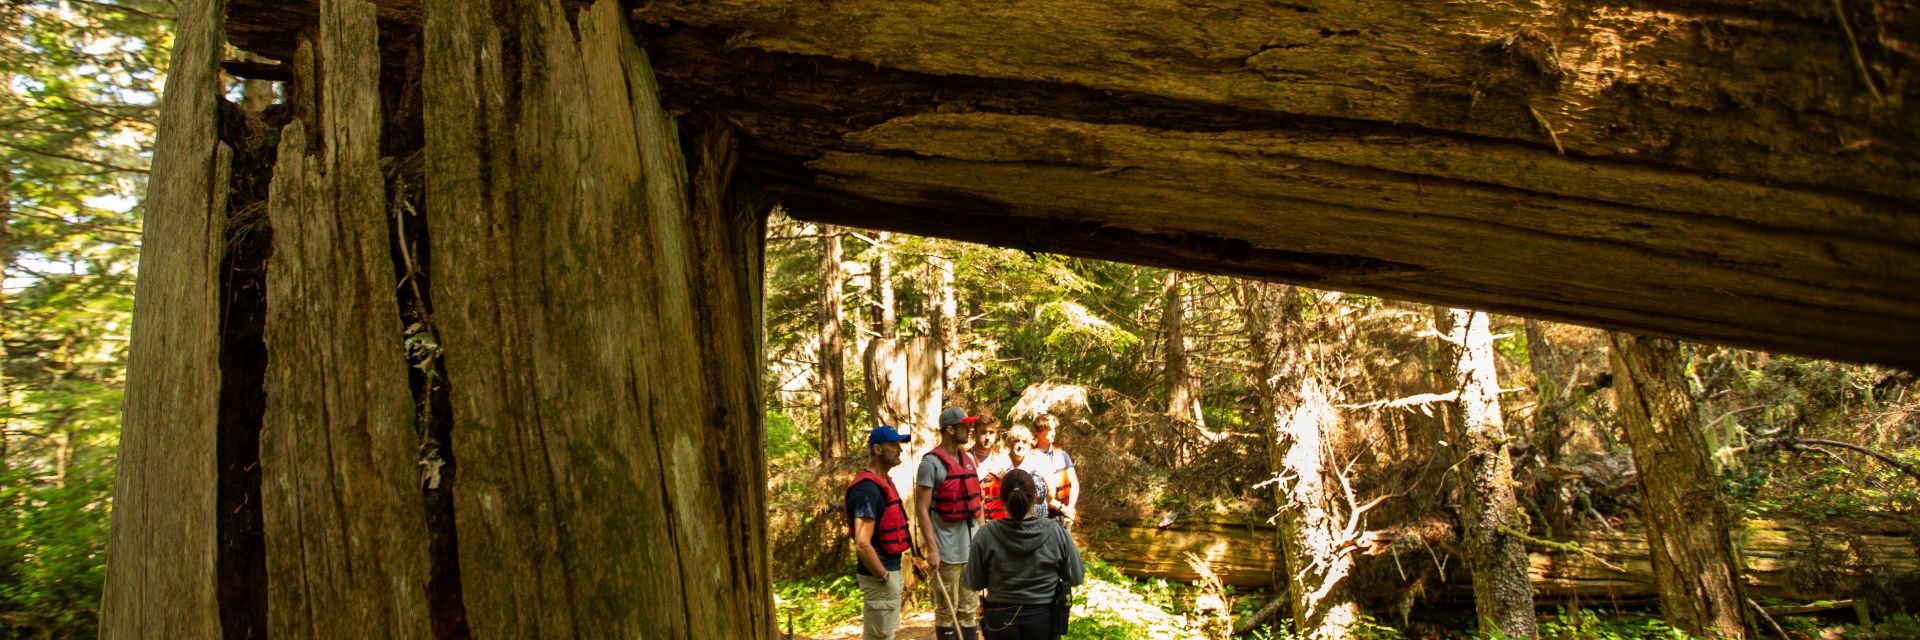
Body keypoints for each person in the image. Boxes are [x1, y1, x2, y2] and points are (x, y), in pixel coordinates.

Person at [964, 468, 1086, 640]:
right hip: (1044, 621)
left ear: (1002, 499)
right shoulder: (1056, 531)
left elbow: (973, 581)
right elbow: (1076, 577)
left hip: (1000, 623)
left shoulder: (986, 534)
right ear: (1035, 498)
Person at [917, 407, 985, 640]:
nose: (969, 430)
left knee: (969, 609)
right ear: (950, 429)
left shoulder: (968, 460)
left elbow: (977, 504)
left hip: (972, 547)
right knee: (947, 610)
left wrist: (984, 540)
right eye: (964, 426)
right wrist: (932, 549)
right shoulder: (931, 463)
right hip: (946, 549)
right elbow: (921, 509)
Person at [846, 425, 913, 640]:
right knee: (879, 637)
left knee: (886, 635)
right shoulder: (867, 489)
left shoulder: (883, 482)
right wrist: (884, 577)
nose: (899, 449)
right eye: (893, 445)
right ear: (877, 449)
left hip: (889, 571)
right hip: (880, 576)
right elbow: (862, 543)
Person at [1032, 414, 1080, 524]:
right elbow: (1036, 494)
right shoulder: (1031, 458)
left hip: (1065, 515)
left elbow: (1074, 484)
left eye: (1054, 429)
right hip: (1044, 517)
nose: (1053, 433)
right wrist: (1064, 509)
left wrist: (1070, 510)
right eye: (1049, 429)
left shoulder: (1062, 454)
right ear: (1037, 432)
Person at [1003, 426, 1050, 520]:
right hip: (1010, 523)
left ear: (1028, 444)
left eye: (1024, 442)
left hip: (1038, 521)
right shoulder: (1001, 462)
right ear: (1009, 442)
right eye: (1016, 440)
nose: (1020, 445)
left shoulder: (1038, 462)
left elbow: (1051, 492)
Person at [972, 417, 1009, 521]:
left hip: (1001, 522)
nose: (988, 437)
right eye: (983, 432)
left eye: (991, 433)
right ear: (975, 433)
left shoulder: (1002, 459)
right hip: (976, 522)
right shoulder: (966, 459)